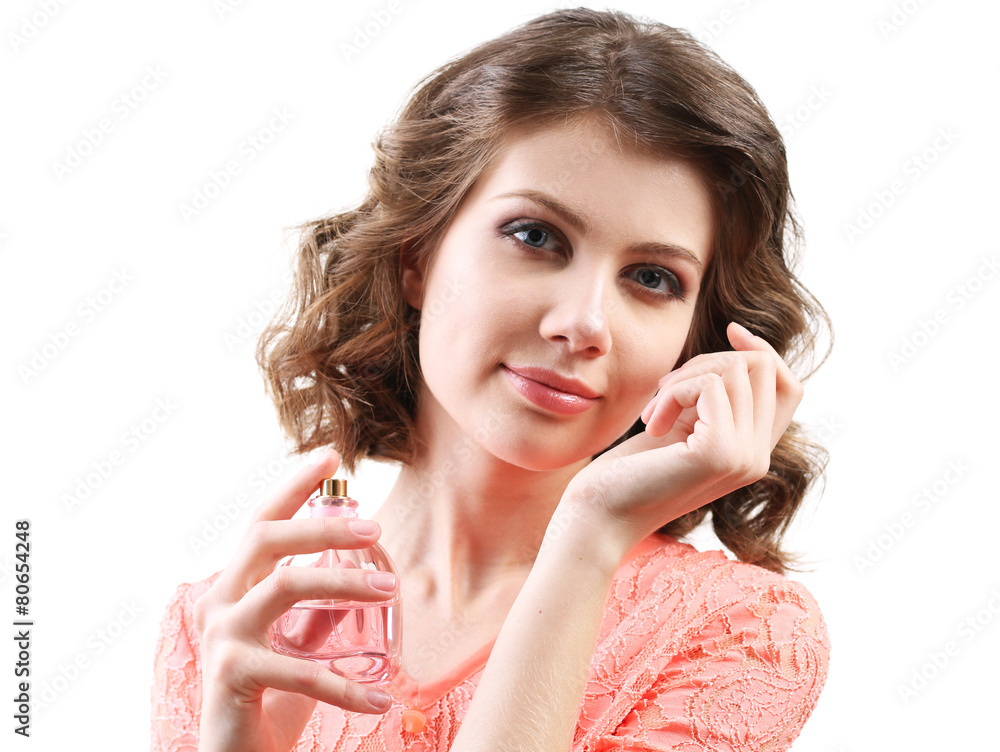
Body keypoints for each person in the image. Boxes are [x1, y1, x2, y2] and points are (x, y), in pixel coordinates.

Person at [151, 7, 832, 751]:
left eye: (651, 277)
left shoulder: (741, 632)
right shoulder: (224, 627)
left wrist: (590, 534)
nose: (585, 323)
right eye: (536, 236)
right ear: (416, 254)